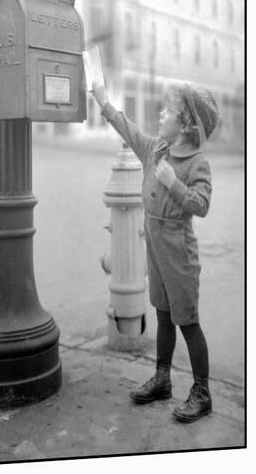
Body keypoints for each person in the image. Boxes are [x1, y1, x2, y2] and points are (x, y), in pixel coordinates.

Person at [91, 80, 220, 423]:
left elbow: (202, 204)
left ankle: (202, 392)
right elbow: (127, 128)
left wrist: (171, 182)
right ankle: (163, 379)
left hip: (179, 253)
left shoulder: (196, 165)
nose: (161, 113)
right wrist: (104, 101)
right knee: (163, 316)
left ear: (188, 124)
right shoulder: (156, 150)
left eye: (169, 110)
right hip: (155, 247)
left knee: (188, 322)